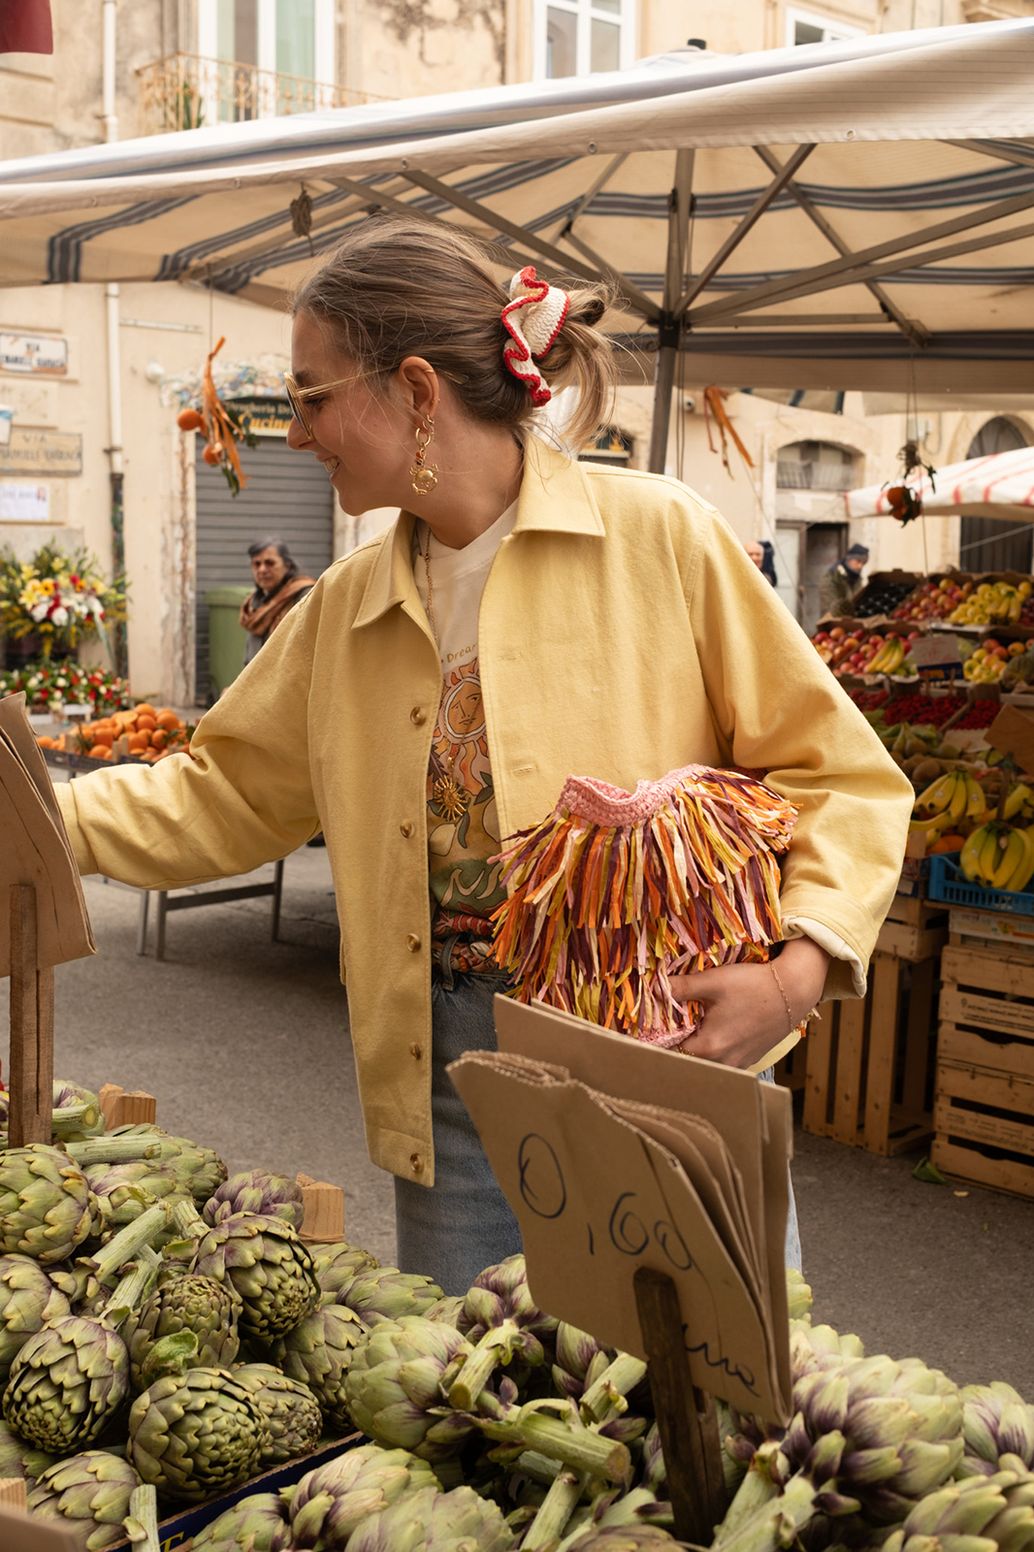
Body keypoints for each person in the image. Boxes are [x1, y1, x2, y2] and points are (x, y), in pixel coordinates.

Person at [54, 217, 912, 1294]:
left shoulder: (661, 536)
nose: (296, 433)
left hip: (663, 1054)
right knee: (477, 1386)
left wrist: (795, 976)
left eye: (312, 396)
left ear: (416, 390)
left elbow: (839, 773)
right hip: (449, 1074)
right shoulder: (344, 608)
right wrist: (42, 819)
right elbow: (223, 792)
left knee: (702, 1382)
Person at [239, 538, 316, 664]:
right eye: (256, 564)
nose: (262, 570)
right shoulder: (253, 604)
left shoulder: (304, 596)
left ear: (287, 565)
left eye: (269, 563)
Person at [820, 542, 869, 618]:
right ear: (849, 559)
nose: (860, 566)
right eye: (858, 561)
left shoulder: (857, 579)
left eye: (863, 563)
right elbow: (830, 607)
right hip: (834, 619)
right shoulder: (832, 577)